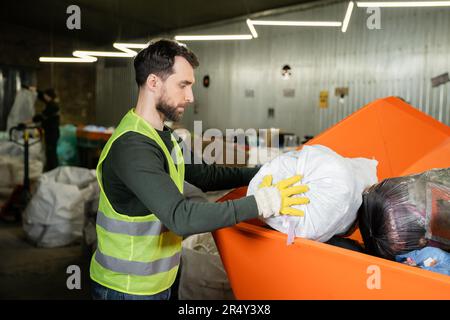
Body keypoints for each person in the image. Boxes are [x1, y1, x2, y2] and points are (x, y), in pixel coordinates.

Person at [89, 39, 310, 300]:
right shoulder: (133, 146)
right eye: (183, 85)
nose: (191, 97)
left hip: (158, 281)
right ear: (153, 83)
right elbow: (181, 217)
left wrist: (266, 171)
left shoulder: (164, 137)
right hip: (126, 289)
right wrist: (262, 202)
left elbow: (206, 175)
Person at [33, 88, 60, 171]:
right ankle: (51, 169)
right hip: (50, 132)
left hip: (52, 133)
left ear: (49, 96)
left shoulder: (52, 106)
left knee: (51, 153)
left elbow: (40, 117)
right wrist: (36, 90)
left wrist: (27, 122)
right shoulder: (50, 103)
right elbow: (42, 96)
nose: (44, 97)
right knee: (49, 152)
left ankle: (53, 170)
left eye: (45, 95)